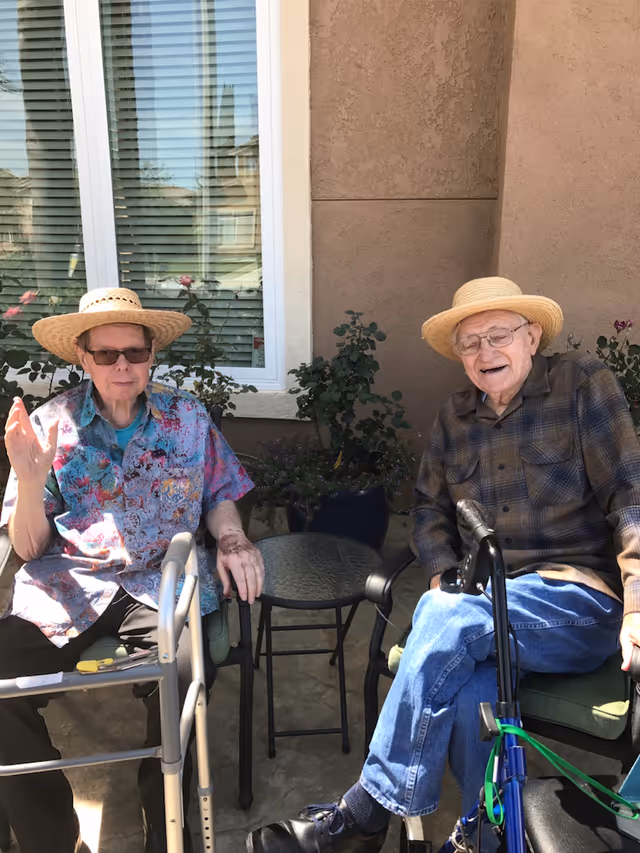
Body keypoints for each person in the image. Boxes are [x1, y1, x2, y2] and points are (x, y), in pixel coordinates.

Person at [247, 276, 640, 853]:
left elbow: (630, 497)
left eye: (498, 336)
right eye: (470, 343)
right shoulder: (455, 418)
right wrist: (439, 567)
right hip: (485, 604)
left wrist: (637, 603)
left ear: (531, 336)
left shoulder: (582, 387)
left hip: (575, 601)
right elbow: (429, 506)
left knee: (448, 618)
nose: (485, 353)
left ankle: (365, 812)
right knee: (468, 679)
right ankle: (485, 834)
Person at [0, 287, 264, 853]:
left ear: (151, 355)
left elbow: (219, 493)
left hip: (158, 584)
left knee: (187, 673)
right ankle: (50, 837)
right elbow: (28, 545)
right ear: (82, 357)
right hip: (69, 586)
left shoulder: (187, 417)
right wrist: (27, 482)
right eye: (106, 354)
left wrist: (233, 536)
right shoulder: (51, 424)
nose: (123, 366)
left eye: (135, 353)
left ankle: (166, 825)